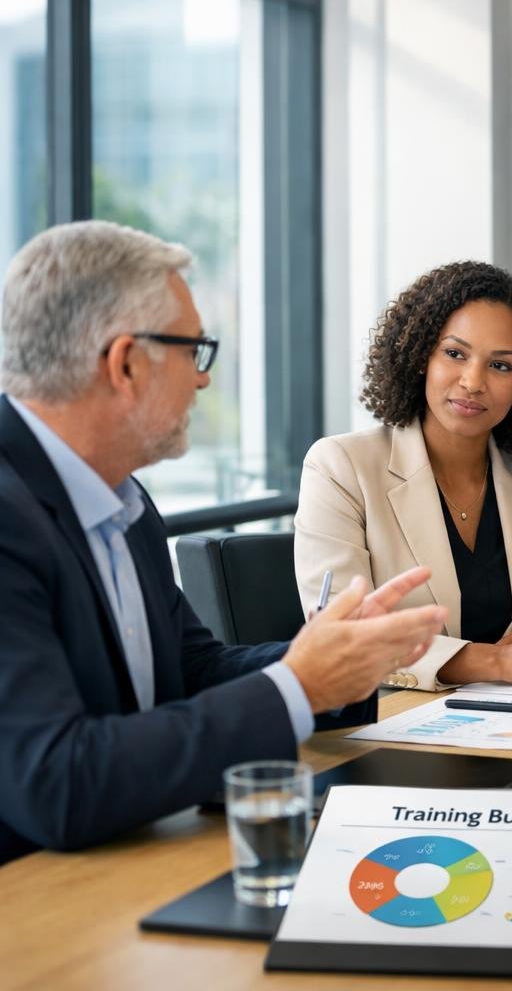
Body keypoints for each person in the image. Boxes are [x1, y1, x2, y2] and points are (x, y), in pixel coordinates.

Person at [0, 222, 447, 864]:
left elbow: (191, 673)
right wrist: (298, 684)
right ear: (125, 363)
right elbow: (57, 783)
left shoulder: (121, 499)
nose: (202, 380)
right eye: (193, 351)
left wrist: (332, 660)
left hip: (132, 861)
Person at [295, 261, 512, 691]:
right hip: (395, 721)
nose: (473, 381)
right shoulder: (341, 467)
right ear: (422, 355)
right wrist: (497, 661)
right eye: (455, 353)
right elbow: (343, 636)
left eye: (500, 366)